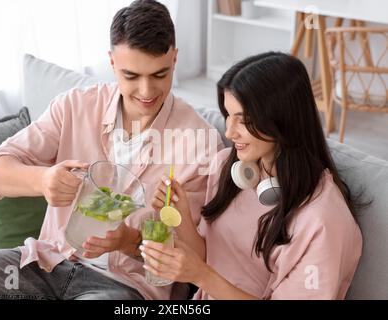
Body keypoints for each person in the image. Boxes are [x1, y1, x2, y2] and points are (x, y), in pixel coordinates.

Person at [0, 0, 222, 300]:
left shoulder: (201, 143)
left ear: (175, 59)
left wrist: (129, 241)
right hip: (44, 264)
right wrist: (43, 181)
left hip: (122, 286)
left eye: (159, 75)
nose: (146, 91)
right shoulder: (76, 106)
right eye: (131, 76)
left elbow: (198, 260)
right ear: (111, 62)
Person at [143, 52, 363, 300]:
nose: (229, 132)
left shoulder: (323, 219)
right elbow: (211, 259)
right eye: (228, 116)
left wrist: (202, 276)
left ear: (283, 121)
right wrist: (181, 216)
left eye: (244, 121)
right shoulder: (228, 166)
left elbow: (206, 273)